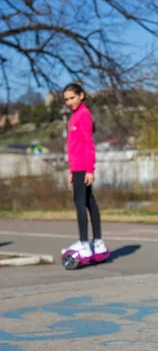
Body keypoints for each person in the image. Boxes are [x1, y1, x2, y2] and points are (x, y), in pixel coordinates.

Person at [62, 83, 107, 258]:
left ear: (81, 96)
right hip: (77, 168)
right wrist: (72, 171)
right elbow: (73, 146)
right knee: (89, 202)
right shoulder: (74, 116)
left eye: (72, 98)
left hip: (83, 166)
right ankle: (98, 242)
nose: (69, 102)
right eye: (66, 99)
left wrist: (89, 169)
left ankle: (84, 243)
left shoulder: (83, 115)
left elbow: (88, 144)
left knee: (80, 202)